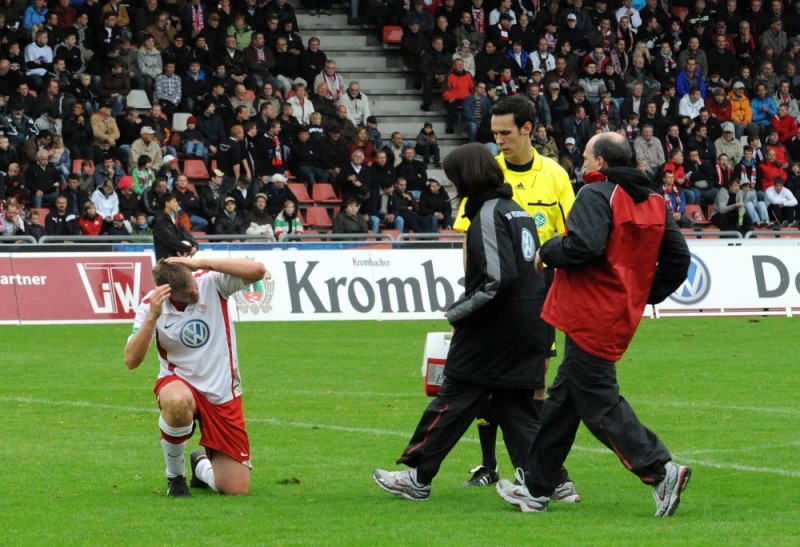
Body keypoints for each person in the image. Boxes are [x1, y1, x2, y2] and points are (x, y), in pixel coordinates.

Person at [495, 132, 692, 517]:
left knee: (599, 403)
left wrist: (547, 251)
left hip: (588, 312)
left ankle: (660, 470)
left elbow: (581, 245)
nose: (582, 162)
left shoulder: (596, 194)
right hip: (617, 311)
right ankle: (536, 487)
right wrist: (643, 292)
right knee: (563, 403)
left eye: (585, 156)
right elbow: (679, 259)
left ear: (601, 163)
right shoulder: (654, 201)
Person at [372, 143, 549, 501]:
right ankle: (546, 481)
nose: (454, 188)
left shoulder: (486, 214)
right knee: (517, 407)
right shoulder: (518, 211)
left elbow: (497, 281)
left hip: (494, 330)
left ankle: (416, 477)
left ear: (468, 177)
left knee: (453, 399)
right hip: (530, 323)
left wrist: (458, 312)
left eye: (454, 179)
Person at [451, 95, 576, 496]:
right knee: (482, 381)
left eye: (505, 133)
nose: (499, 141)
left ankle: (540, 470)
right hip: (492, 295)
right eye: (494, 134)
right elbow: (468, 237)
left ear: (528, 129)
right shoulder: (486, 172)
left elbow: (569, 232)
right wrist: (471, 291)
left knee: (533, 386)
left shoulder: (555, 175)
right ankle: (490, 465)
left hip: (537, 298)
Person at [124, 256, 267, 497]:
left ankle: (200, 465)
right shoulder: (152, 305)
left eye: (194, 286)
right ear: (168, 293)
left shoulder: (211, 282)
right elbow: (131, 361)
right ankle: (175, 477)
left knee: (236, 489)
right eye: (188, 294)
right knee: (177, 400)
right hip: (179, 382)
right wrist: (152, 318)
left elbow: (258, 270)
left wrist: (202, 263)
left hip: (222, 392)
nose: (196, 294)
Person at [152, 192, 198, 260]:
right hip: (165, 260)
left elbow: (185, 233)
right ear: (167, 204)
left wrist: (195, 245)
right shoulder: (159, 221)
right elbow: (170, 240)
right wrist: (188, 249)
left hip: (178, 258)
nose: (177, 204)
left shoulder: (175, 218)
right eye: (174, 201)